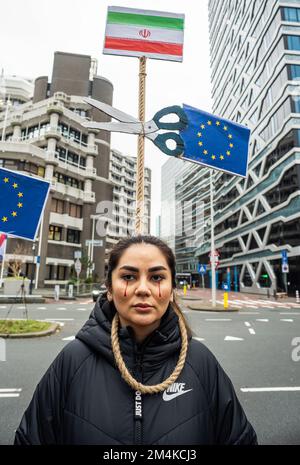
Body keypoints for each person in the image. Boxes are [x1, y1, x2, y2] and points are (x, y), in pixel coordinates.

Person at [14, 235, 257, 445]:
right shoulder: (72, 360)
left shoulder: (201, 362)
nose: (143, 288)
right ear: (109, 288)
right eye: (129, 277)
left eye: (157, 277)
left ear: (172, 288)